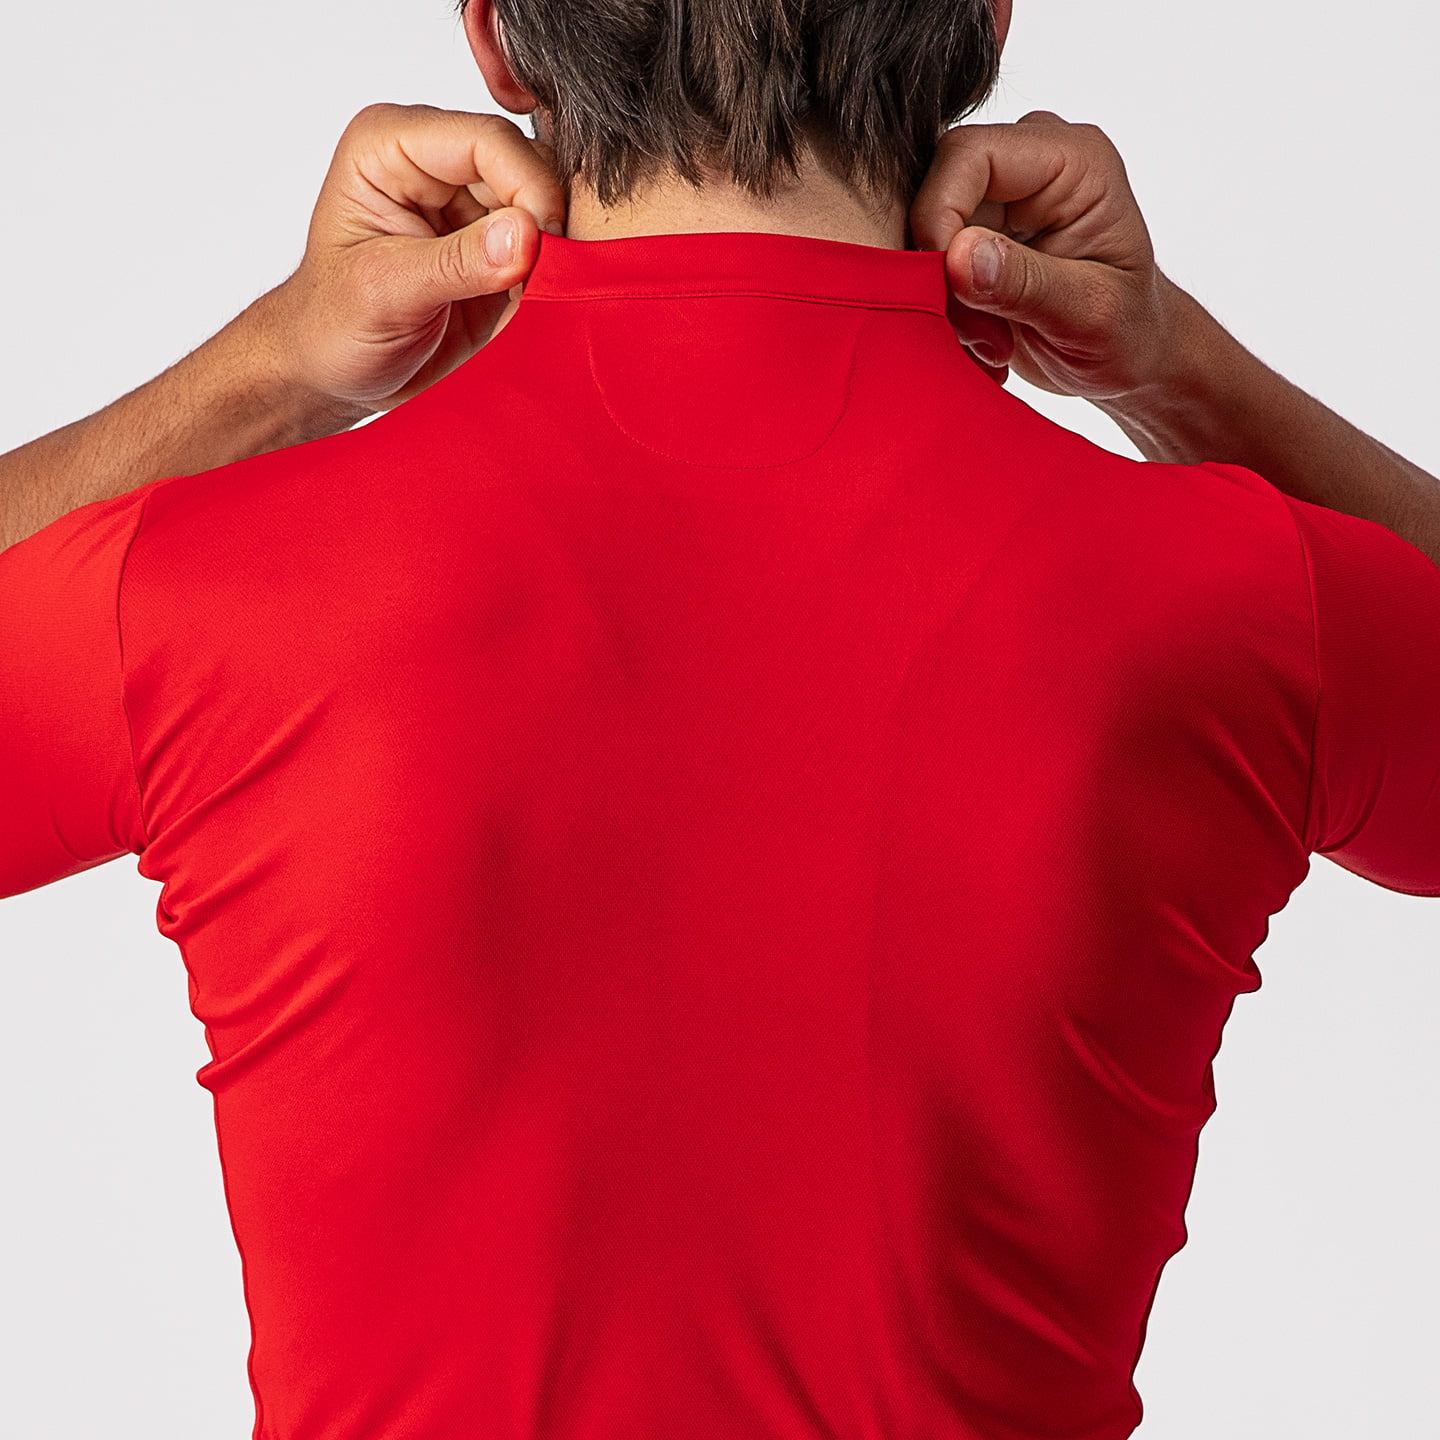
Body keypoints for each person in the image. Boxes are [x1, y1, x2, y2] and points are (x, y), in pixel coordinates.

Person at [2, 1, 1437, 1437]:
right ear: (987, 24)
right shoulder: (1235, 601)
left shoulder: (206, 589)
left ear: (495, 40)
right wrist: (1178, 369)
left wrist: (272, 367)